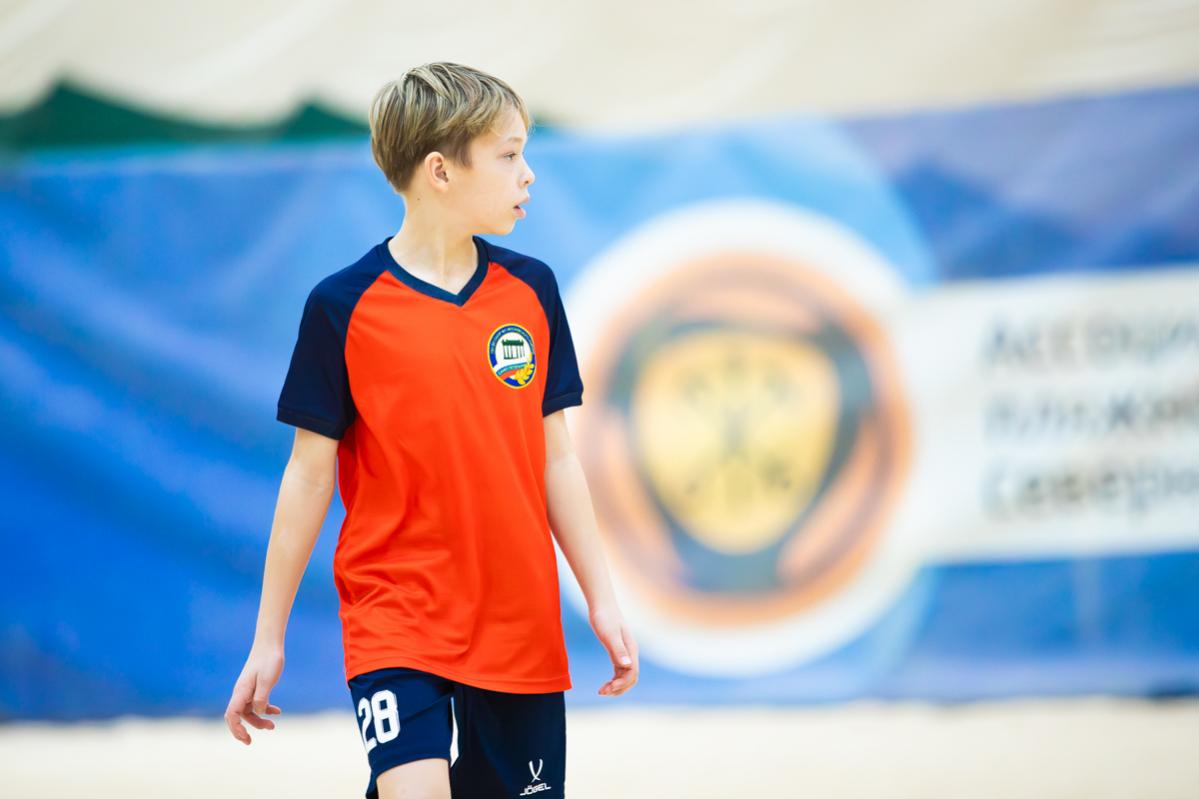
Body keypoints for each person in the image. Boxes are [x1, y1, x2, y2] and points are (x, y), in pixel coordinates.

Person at [223, 61, 639, 799]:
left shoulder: (532, 289)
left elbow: (557, 460)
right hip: (396, 616)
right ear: (440, 170)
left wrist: (601, 597)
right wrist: (268, 637)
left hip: (518, 623)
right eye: (508, 155)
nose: (528, 174)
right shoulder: (342, 306)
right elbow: (308, 476)